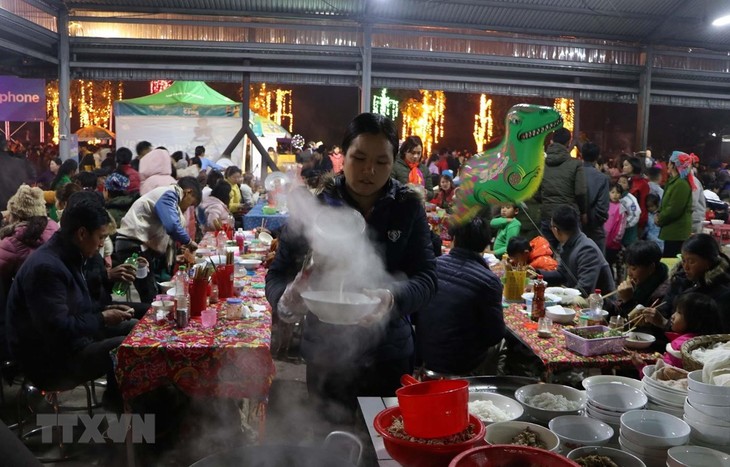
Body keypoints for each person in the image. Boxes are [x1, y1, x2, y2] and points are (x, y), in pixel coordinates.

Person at [265, 113, 437, 423]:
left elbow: (427, 278)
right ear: (342, 155)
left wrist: (392, 298)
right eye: (359, 158)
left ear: (393, 162)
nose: (369, 171)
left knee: (384, 445)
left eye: (381, 162)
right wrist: (285, 300)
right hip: (325, 353)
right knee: (328, 442)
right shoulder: (314, 203)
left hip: (389, 353)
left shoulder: (407, 206)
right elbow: (277, 275)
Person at [6, 193, 135, 406]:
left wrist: (108, 310)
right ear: (82, 233)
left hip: (69, 342)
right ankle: (118, 409)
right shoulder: (46, 267)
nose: (102, 244)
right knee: (127, 348)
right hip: (48, 360)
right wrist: (102, 318)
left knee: (135, 330)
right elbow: (58, 327)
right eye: (101, 237)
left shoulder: (72, 255)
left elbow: (79, 306)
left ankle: (121, 403)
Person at [416, 214, 505, 375]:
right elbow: (495, 336)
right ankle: (484, 386)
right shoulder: (489, 281)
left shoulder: (433, 265)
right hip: (459, 363)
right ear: (485, 245)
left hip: (422, 353)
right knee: (503, 344)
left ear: (454, 239)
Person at [115, 177, 201, 303]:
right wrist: (189, 242)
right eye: (191, 204)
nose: (188, 208)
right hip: (133, 245)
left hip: (137, 245)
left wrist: (174, 256)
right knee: (149, 294)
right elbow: (171, 226)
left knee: (151, 291)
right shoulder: (169, 194)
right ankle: (150, 322)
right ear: (188, 192)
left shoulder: (169, 196)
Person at [0, 185, 59, 360]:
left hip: (25, 317)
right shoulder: (55, 229)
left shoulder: (11, 242)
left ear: (16, 216)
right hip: (58, 309)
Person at [539, 205, 615, 296]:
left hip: (599, 305)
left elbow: (584, 289)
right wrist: (537, 273)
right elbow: (562, 274)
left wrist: (560, 298)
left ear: (556, 230)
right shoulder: (570, 243)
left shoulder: (587, 249)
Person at [636, 293, 723, 368]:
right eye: (675, 311)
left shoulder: (680, 346)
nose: (673, 316)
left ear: (694, 321)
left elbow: (661, 376)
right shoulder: (707, 343)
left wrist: (640, 366)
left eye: (679, 313)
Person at [537, 128, 587, 252]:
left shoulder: (541, 164)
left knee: (545, 252)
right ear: (568, 143)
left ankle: (546, 272)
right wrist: (584, 211)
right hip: (569, 215)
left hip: (547, 215)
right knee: (572, 252)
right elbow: (580, 192)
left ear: (552, 141)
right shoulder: (576, 164)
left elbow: (536, 191)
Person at [614, 241, 670, 347]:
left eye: (634, 268)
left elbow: (643, 327)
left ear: (651, 268)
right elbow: (619, 315)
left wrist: (628, 301)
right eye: (628, 268)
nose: (629, 273)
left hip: (650, 345)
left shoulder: (664, 292)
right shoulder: (638, 282)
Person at [656, 151, 693, 258]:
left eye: (669, 162)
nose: (667, 165)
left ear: (673, 165)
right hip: (672, 230)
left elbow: (674, 209)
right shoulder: (674, 181)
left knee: (672, 260)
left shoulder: (681, 184)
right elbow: (666, 204)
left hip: (677, 232)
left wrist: (660, 219)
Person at [581, 142, 610, 254]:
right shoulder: (602, 178)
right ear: (597, 157)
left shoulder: (574, 173)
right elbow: (603, 207)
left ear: (582, 155)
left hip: (575, 226)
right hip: (595, 228)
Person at [605, 182, 628, 279]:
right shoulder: (606, 205)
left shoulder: (621, 208)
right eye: (612, 192)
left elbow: (621, 227)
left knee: (610, 262)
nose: (615, 195)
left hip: (613, 242)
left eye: (618, 193)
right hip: (604, 239)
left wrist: (616, 239)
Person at [624, 156, 650, 232]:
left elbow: (643, 204)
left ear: (633, 167)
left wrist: (641, 221)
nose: (623, 168)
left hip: (637, 221)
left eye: (626, 165)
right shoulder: (626, 180)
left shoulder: (642, 184)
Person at [617, 174, 641, 247]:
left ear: (628, 186)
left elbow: (635, 214)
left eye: (624, 182)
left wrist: (623, 224)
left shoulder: (631, 199)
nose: (620, 184)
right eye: (619, 182)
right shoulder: (615, 196)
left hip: (628, 232)